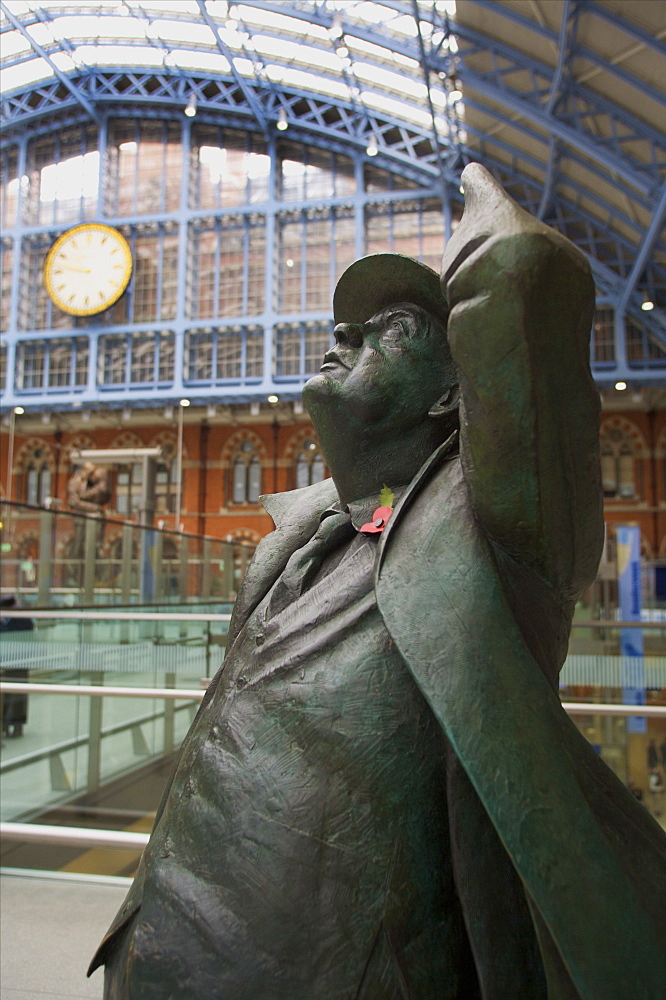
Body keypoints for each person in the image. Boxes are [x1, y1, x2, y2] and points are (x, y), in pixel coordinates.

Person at [90, 164, 666, 999]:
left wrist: (483, 203)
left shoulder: (493, 532)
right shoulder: (297, 540)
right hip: (160, 949)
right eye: (341, 327)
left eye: (385, 330)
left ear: (451, 393)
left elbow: (524, 280)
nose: (343, 337)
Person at [0, 594, 34, 739]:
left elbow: (31, 642)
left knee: (17, 695)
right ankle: (4, 725)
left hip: (18, 662)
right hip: (3, 662)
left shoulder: (23, 621)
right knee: (4, 695)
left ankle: (17, 724)